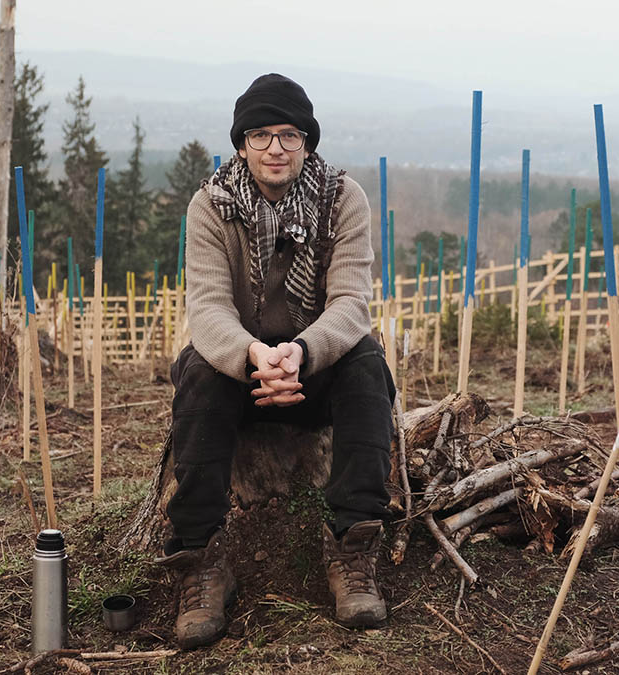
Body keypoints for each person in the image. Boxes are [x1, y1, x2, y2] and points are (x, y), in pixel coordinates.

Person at [156, 73, 396, 649]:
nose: (275, 149)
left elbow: (349, 303)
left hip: (314, 366)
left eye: (289, 135)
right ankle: (201, 561)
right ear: (241, 144)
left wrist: (303, 352)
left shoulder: (344, 200)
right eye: (260, 136)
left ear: (307, 143)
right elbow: (209, 308)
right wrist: (254, 356)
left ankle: (351, 547)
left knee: (368, 366)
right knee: (196, 373)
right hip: (244, 371)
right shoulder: (211, 206)